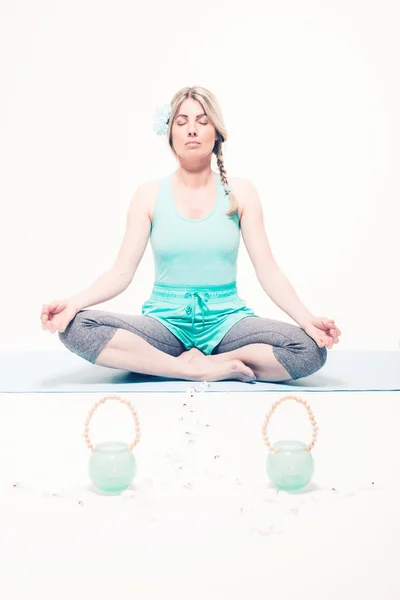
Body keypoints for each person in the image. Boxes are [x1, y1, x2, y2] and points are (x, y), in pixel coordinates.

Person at [41, 85, 341, 383]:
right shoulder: (148, 195)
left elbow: (268, 270)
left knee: (309, 351)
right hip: (164, 325)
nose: (192, 130)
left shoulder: (242, 193)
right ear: (171, 134)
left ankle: (203, 362)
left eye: (202, 121)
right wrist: (75, 302)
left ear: (217, 133)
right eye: (182, 122)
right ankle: (187, 368)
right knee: (75, 327)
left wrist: (306, 319)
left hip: (227, 322)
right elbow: (121, 271)